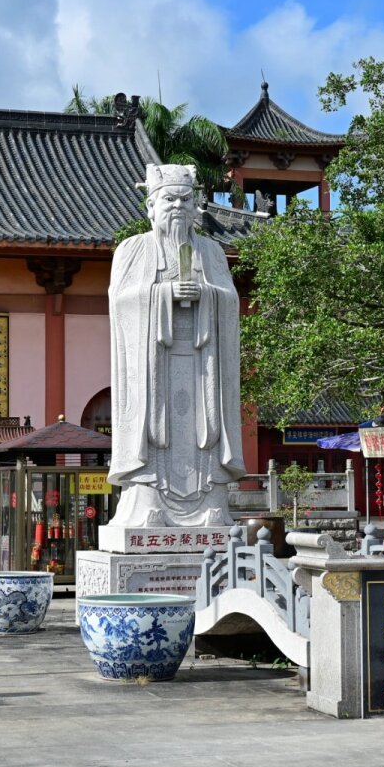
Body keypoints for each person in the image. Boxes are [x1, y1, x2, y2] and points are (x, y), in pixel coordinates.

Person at [106, 163, 243, 528]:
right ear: (151, 207)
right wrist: (164, 294)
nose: (178, 206)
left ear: (196, 205)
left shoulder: (211, 252)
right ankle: (148, 503)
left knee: (204, 426)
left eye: (185, 199)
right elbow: (120, 301)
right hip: (154, 361)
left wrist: (206, 295)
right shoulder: (133, 249)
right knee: (154, 428)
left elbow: (230, 300)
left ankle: (212, 505)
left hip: (202, 360)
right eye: (169, 199)